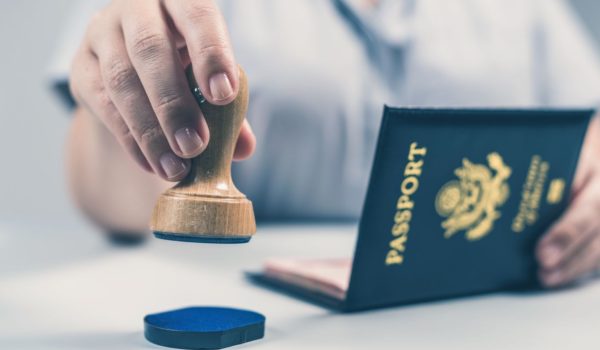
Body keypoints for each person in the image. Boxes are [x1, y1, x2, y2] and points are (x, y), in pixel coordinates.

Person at [54, 0, 600, 288]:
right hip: (252, 301)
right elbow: (118, 200)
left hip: (494, 310)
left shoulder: (530, 9)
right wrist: (122, 111)